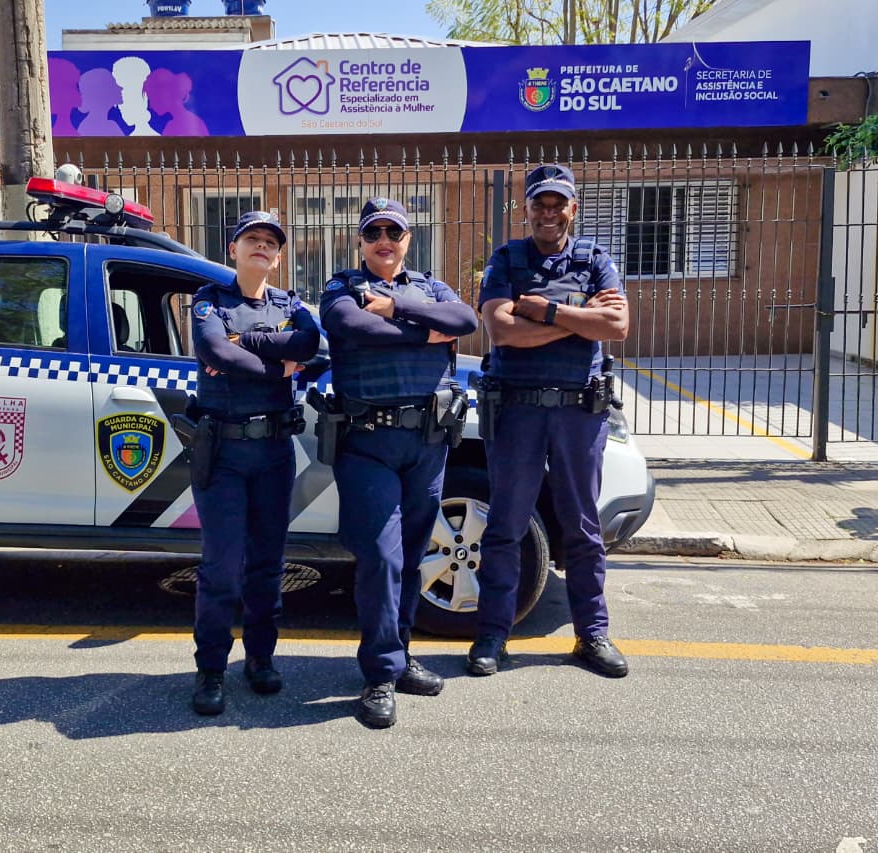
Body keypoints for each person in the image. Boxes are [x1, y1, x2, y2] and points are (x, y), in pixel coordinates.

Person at [318, 198, 478, 728]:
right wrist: (424, 333)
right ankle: (380, 675)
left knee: (412, 557)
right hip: (368, 444)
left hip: (427, 445)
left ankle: (401, 653)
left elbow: (465, 319)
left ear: (408, 239)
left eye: (394, 232)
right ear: (360, 241)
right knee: (381, 559)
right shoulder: (342, 287)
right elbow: (353, 328)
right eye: (374, 233)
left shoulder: (431, 286)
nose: (384, 241)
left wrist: (394, 308)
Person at [470, 164, 631, 679]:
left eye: (558, 204)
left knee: (582, 526)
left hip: (579, 412)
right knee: (505, 526)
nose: (548, 213)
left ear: (572, 209)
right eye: (539, 204)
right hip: (517, 411)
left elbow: (617, 325)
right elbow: (501, 331)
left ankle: (592, 634)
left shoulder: (595, 259)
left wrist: (543, 311)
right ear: (526, 209)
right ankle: (492, 635)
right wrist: (580, 319)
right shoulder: (507, 258)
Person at [187, 211, 320, 716]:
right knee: (222, 567)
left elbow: (312, 346)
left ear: (278, 257)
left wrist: (247, 345)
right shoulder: (210, 300)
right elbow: (213, 350)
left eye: (270, 241)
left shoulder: (291, 305)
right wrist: (281, 368)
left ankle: (260, 658)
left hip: (273, 453)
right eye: (252, 239)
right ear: (234, 250)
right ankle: (211, 668)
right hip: (223, 452)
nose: (262, 245)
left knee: (267, 564)